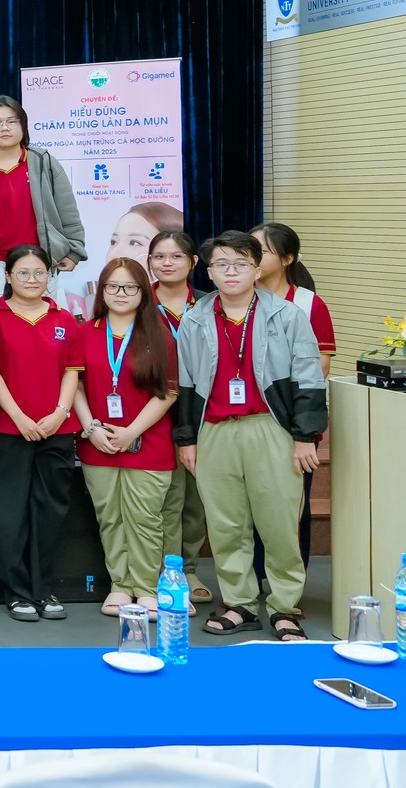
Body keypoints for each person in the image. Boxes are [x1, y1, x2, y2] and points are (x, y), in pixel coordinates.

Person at [177, 231, 327, 642]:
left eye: (241, 263)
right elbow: (186, 385)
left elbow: (309, 378)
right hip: (215, 430)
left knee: (279, 523)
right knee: (226, 525)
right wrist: (187, 439)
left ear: (257, 269)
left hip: (271, 428)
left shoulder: (287, 315)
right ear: (208, 272)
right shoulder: (195, 318)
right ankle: (239, 603)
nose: (231, 272)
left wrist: (305, 437)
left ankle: (285, 607)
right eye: (221, 264)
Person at [0, 244, 84, 622]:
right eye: (23, 272)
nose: (31, 279)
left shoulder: (64, 319)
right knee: (9, 514)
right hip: (9, 430)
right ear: (8, 276)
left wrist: (60, 413)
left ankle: (43, 589)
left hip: (56, 430)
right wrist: (19, 417)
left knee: (49, 511)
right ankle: (17, 591)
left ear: (49, 277)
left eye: (39, 272)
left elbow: (72, 372)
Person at [76, 255, 179, 618]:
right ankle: (120, 586)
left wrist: (131, 431)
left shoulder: (159, 335)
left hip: (148, 443)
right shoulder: (84, 332)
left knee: (146, 519)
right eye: (113, 286)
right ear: (102, 290)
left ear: (143, 292)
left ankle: (147, 589)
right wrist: (91, 428)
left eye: (130, 287)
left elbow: (168, 392)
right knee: (110, 518)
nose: (120, 293)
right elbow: (75, 385)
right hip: (98, 442)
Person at [147, 228, 210, 604]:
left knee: (196, 500)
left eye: (176, 256)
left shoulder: (210, 304)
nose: (167, 263)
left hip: (202, 412)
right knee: (166, 497)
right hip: (153, 412)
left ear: (193, 262)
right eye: (159, 257)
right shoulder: (138, 303)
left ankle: (188, 569)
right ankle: (166, 571)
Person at [0, 96, 86, 300]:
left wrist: (74, 251)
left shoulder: (43, 162)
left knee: (41, 318)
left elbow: (67, 211)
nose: (4, 128)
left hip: (38, 260)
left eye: (11, 121)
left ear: (23, 126)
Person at [254, 222, 335, 360]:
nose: (251, 257)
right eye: (248, 251)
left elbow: (321, 364)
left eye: (261, 252)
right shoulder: (235, 300)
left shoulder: (310, 304)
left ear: (287, 259)